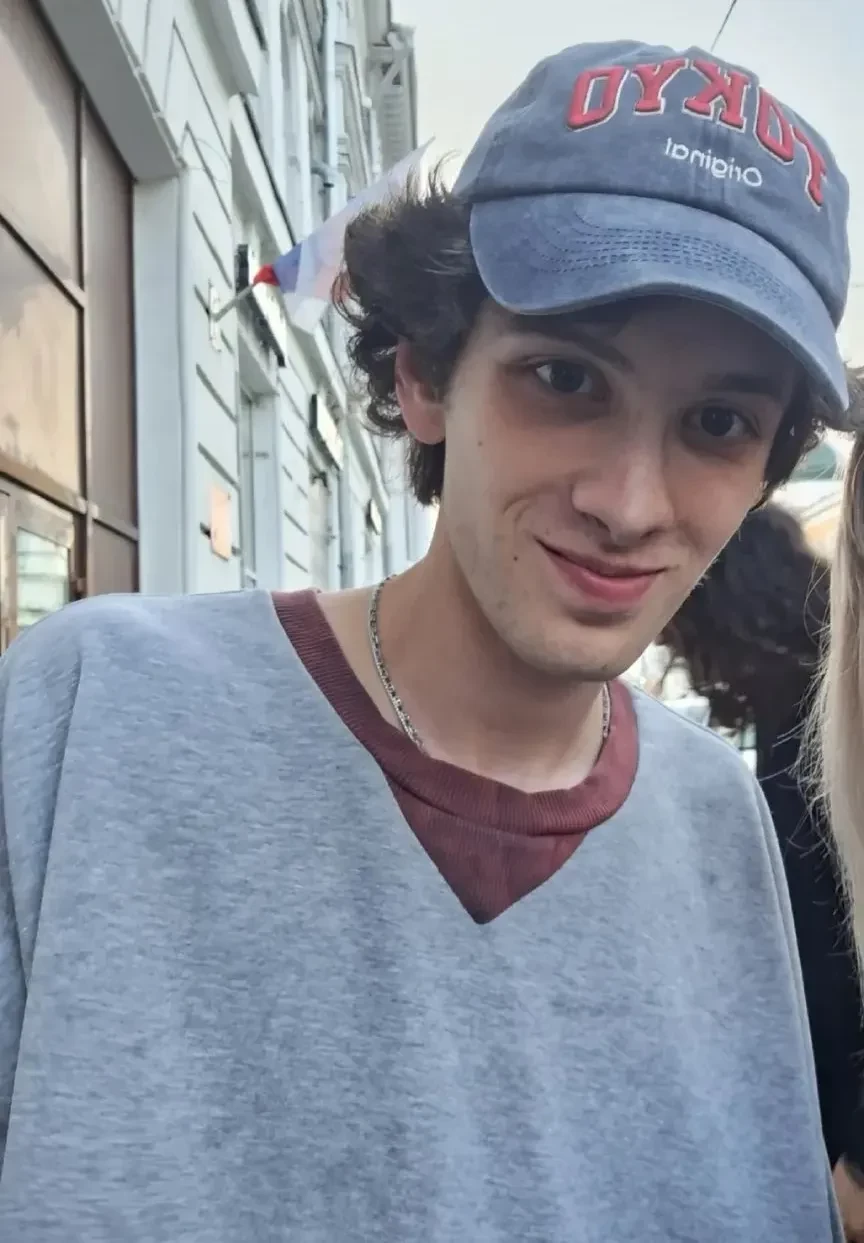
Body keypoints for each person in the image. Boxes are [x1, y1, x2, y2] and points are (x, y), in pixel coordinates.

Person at [0, 41, 858, 1241]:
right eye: (566, 379)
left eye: (717, 422)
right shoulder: (94, 714)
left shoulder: (722, 822)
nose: (628, 502)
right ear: (424, 375)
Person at [662, 503, 864, 1240]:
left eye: (680, 630)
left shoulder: (817, 727)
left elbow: (833, 940)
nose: (681, 653)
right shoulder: (795, 713)